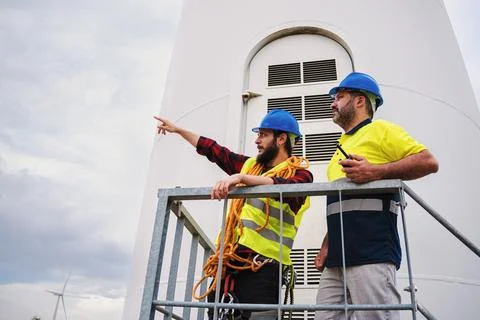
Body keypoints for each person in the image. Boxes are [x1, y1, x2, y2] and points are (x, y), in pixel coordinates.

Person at [155, 109, 313, 320]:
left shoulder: (300, 174)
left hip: (263, 268)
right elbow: (215, 151)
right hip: (228, 264)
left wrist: (241, 178)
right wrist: (178, 130)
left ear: (281, 139)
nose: (257, 140)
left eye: (263, 135)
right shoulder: (251, 167)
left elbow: (287, 187)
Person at [314, 72, 439, 320]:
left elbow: (428, 162)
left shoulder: (380, 129)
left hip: (371, 252)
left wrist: (375, 171)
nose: (332, 103)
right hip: (337, 257)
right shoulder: (343, 142)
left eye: (339, 97)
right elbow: (341, 203)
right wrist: (327, 245)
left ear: (360, 101)